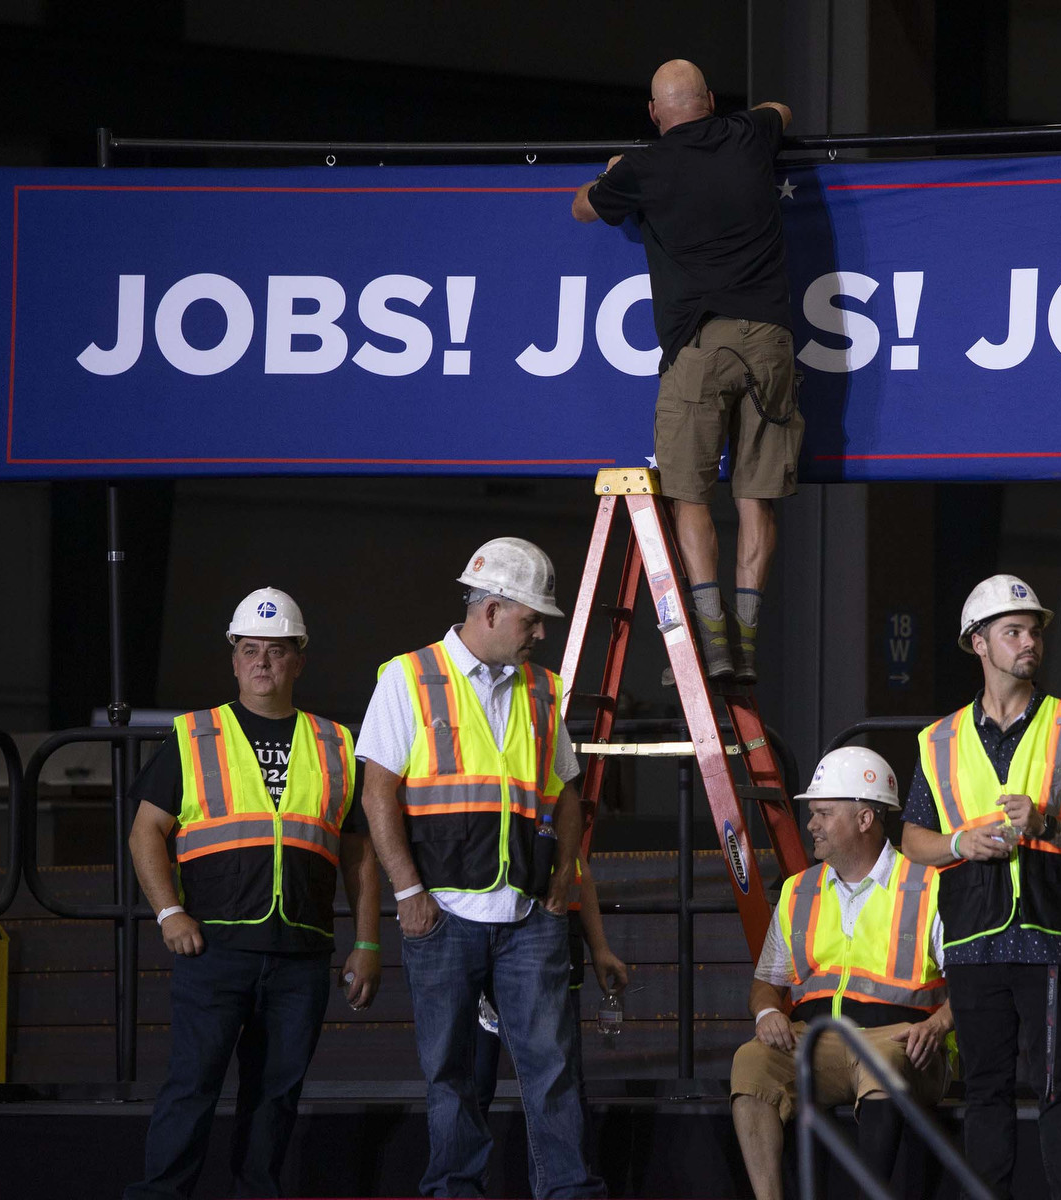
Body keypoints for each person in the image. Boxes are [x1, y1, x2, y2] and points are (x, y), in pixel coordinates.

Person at [356, 537, 602, 1199]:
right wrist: (408, 891)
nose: (541, 632)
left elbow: (568, 794)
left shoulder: (545, 691)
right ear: (490, 611)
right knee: (454, 1078)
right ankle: (456, 1191)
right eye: (532, 620)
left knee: (552, 1070)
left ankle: (570, 1193)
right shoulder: (407, 678)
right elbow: (377, 791)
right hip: (442, 918)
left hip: (528, 919)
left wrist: (560, 883)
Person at [124, 588, 381, 1200]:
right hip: (212, 951)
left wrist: (368, 940)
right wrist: (169, 912)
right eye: (250, 650)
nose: (262, 662)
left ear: (299, 660)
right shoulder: (194, 735)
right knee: (192, 1087)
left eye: (276, 651)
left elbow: (360, 854)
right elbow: (144, 833)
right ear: (234, 659)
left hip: (301, 954)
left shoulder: (337, 744)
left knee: (275, 1098)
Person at [898, 575, 1061, 1200]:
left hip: (1054, 937)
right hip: (974, 942)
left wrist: (1049, 824)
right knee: (983, 1093)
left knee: (1059, 1087)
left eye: (1034, 632)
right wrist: (957, 844)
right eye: (1014, 632)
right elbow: (912, 840)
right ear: (979, 644)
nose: (1030, 642)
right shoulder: (937, 741)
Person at [572, 58, 802, 685]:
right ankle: (748, 647)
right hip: (772, 344)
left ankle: (712, 643)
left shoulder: (646, 167)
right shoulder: (746, 134)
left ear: (654, 113)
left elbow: (582, 208)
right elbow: (782, 111)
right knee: (756, 497)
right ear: (708, 99)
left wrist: (615, 169)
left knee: (688, 494)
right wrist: (753, 119)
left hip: (699, 349)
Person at [731, 746, 953, 1200]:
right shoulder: (799, 891)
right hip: (814, 1042)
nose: (811, 824)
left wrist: (938, 1024)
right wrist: (765, 1014)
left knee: (882, 1061)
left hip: (902, 1044)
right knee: (750, 1062)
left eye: (824, 813)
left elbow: (973, 986)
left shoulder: (928, 886)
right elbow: (765, 984)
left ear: (865, 819)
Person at [472, 856, 630, 1111]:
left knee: (562, 1087)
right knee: (476, 1085)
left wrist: (599, 947)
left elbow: (577, 866)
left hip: (552, 944)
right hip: (481, 940)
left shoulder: (561, 822)